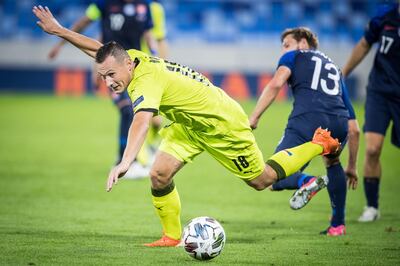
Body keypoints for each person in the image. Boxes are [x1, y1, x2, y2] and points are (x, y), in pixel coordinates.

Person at [33, 5, 340, 247]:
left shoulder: (145, 80)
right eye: (104, 77)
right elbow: (98, 49)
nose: (109, 82)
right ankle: (170, 238)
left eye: (112, 75)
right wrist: (59, 30)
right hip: (188, 125)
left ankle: (319, 143)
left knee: (262, 179)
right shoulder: (132, 58)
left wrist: (126, 161)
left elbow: (141, 121)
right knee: (159, 173)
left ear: (126, 65)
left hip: (222, 125)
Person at [249, 27, 360, 236]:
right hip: (339, 123)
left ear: (302, 43)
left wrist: (254, 117)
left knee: (272, 176)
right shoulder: (335, 68)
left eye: (287, 45)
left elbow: (275, 84)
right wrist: (352, 166)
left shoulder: (294, 57)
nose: (284, 50)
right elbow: (354, 128)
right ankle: (338, 225)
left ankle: (306, 181)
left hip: (308, 121)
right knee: (333, 163)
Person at [48, 0, 167, 178]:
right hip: (113, 71)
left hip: (137, 70)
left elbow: (149, 34)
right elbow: (86, 27)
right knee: (128, 111)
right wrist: (60, 45)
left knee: (155, 120)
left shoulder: (145, 6)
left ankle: (147, 150)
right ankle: (125, 162)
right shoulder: (103, 4)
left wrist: (156, 57)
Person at [342, 2, 400, 222]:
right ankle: (372, 207)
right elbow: (365, 44)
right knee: (373, 149)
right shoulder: (384, 17)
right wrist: (344, 72)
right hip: (379, 92)